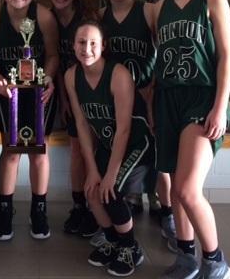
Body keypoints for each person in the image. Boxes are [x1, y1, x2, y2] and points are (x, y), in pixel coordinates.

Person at [149, 0, 230, 279]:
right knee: (173, 186)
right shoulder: (158, 8)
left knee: (186, 188)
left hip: (202, 97)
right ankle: (186, 258)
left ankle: (216, 261)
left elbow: (226, 57)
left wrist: (220, 107)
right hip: (168, 99)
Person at [0, 0, 59, 241]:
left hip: (39, 93)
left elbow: (53, 56)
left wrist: (48, 78)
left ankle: (39, 210)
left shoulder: (44, 16)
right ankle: (5, 209)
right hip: (8, 92)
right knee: (11, 151)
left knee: (39, 152)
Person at [64, 20, 147, 277]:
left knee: (110, 192)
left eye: (93, 43)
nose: (86, 48)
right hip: (108, 143)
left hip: (136, 142)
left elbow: (124, 129)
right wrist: (92, 170)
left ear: (103, 46)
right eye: (81, 42)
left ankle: (131, 248)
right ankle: (113, 241)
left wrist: (110, 174)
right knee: (92, 191)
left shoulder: (118, 74)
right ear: (73, 45)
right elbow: (81, 124)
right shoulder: (71, 76)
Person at [119, 0, 175, 250]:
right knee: (130, 137)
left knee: (156, 141)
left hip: (154, 74)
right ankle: (131, 194)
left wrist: (153, 79)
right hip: (125, 74)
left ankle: (159, 200)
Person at [48, 0, 98, 238]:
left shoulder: (87, 19)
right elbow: (54, 62)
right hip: (65, 91)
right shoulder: (46, 18)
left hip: (90, 92)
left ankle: (94, 207)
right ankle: (79, 207)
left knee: (90, 151)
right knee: (77, 151)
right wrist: (65, 99)